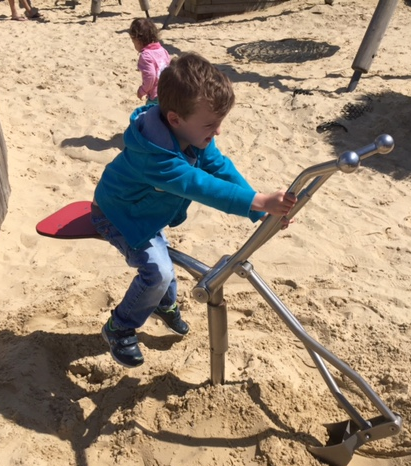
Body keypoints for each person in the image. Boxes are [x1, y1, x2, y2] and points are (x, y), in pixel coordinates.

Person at [91, 52, 297, 368]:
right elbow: (198, 185)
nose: (217, 132)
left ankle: (162, 305)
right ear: (175, 118)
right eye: (211, 124)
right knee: (157, 272)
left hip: (148, 210)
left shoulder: (191, 133)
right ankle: (119, 327)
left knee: (164, 271)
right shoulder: (154, 157)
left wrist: (260, 208)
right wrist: (258, 202)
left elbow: (219, 168)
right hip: (120, 214)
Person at [129, 18, 171, 105]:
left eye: (134, 42)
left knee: (151, 116)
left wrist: (142, 90)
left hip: (156, 95)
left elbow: (151, 76)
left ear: (138, 40)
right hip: (168, 91)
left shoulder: (146, 56)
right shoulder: (163, 50)